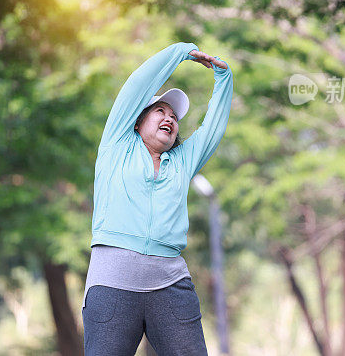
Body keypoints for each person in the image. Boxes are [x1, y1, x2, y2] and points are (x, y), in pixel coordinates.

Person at [82, 42, 233, 356]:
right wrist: (181, 52)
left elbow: (212, 130)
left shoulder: (181, 162)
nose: (170, 118)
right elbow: (138, 84)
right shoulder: (117, 144)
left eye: (175, 117)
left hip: (170, 285)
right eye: (160, 111)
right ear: (137, 122)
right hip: (112, 283)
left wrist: (223, 78)